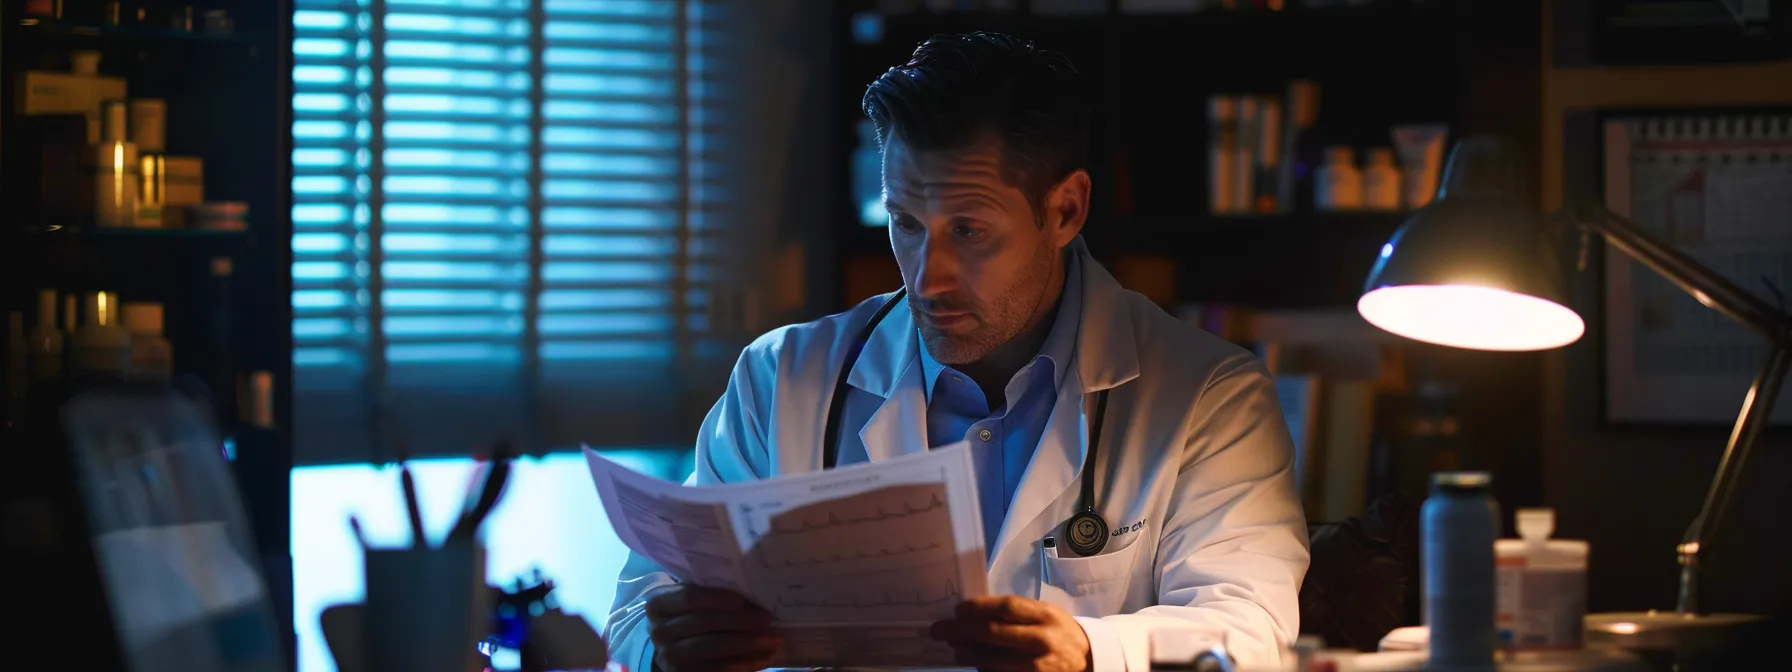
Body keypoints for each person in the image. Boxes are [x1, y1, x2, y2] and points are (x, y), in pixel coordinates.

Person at [604, 32, 1309, 672]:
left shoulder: (1209, 392)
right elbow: (638, 614)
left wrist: (1092, 649)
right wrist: (670, 652)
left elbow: (1250, 630)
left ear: (1065, 210)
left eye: (968, 231)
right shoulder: (782, 378)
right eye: (905, 223)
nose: (925, 275)